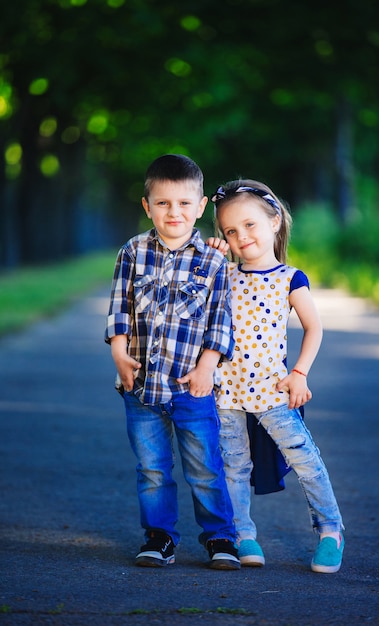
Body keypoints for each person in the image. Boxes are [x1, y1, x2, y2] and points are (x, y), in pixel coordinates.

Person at [105, 154, 240, 570]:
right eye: (163, 203)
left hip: (191, 386)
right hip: (142, 387)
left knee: (204, 466)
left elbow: (221, 319)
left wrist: (208, 367)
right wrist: (119, 354)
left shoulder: (216, 261)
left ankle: (220, 538)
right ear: (147, 206)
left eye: (184, 203)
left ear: (201, 207)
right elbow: (119, 308)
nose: (173, 212)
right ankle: (159, 536)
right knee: (153, 468)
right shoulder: (133, 252)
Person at [208, 179, 344, 573]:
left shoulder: (290, 278)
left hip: (272, 390)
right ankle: (242, 533)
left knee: (305, 459)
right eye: (230, 232)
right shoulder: (224, 274)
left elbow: (314, 328)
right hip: (226, 390)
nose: (240, 236)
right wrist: (211, 255)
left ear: (275, 221)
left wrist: (300, 372)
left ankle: (331, 530)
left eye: (249, 225)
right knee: (233, 464)